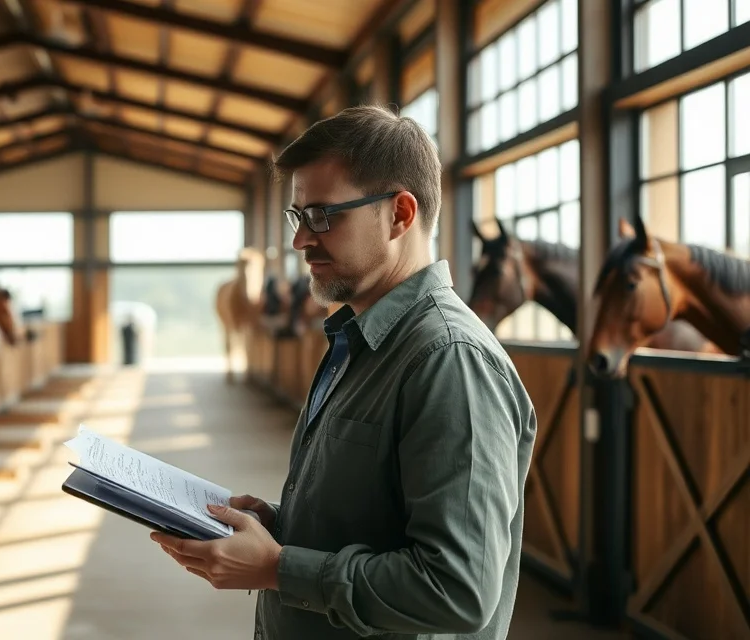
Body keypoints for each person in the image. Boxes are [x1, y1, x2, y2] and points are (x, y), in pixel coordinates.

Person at [150, 104, 537, 639]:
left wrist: (278, 568)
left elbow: (458, 588)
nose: (300, 241)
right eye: (297, 216)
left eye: (323, 216)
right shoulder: (357, 339)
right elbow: (375, 519)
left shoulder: (449, 360)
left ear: (400, 214)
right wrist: (279, 528)